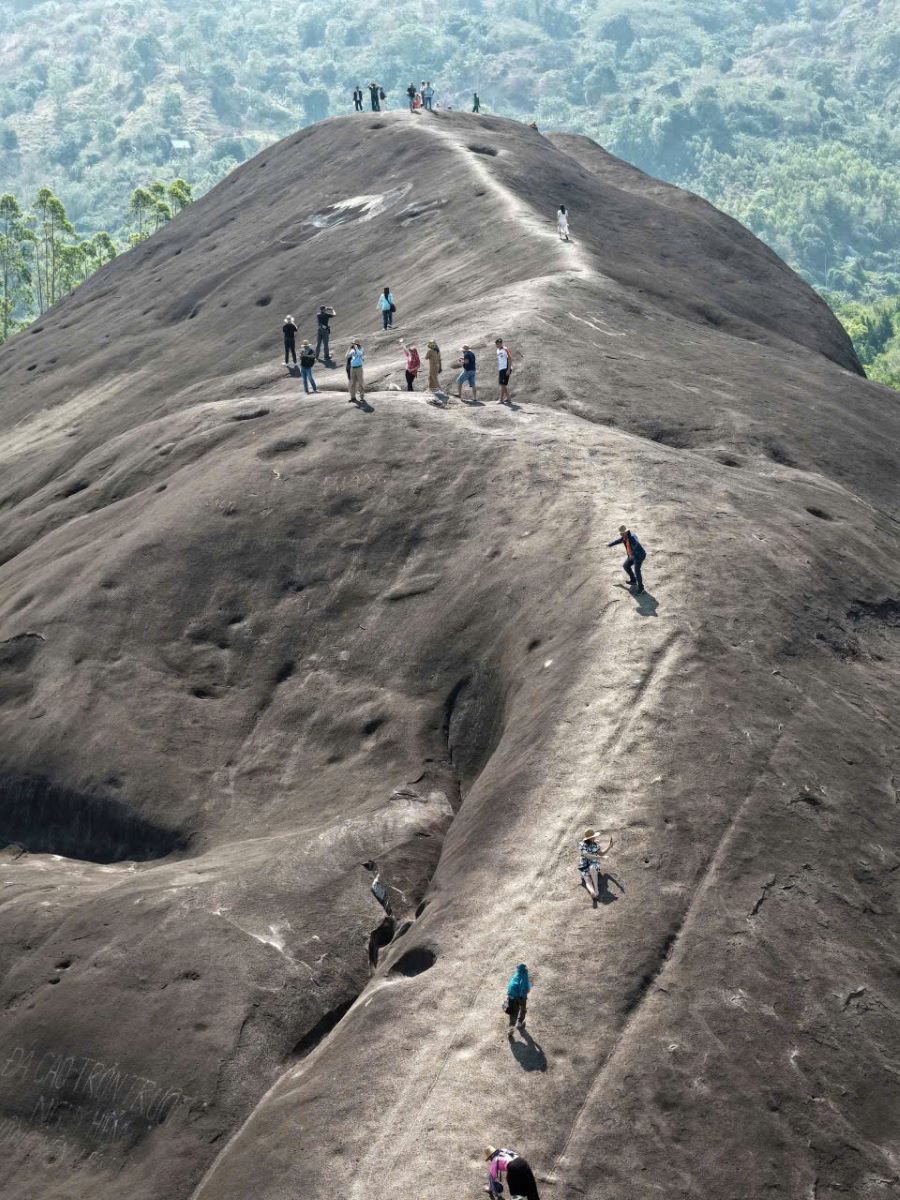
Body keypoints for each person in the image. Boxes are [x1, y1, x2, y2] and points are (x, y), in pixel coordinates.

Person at [607, 525, 647, 593]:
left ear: (626, 532)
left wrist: (633, 554)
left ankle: (641, 588)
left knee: (637, 571)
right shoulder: (624, 537)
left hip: (639, 556)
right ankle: (633, 580)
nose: (621, 534)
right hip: (632, 556)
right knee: (626, 566)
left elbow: (637, 545)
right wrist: (610, 544)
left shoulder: (632, 537)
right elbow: (617, 541)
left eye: (622, 533)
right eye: (621, 533)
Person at [578, 829, 613, 905]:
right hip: (584, 864)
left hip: (593, 863)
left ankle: (596, 890)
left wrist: (609, 847)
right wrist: (601, 858)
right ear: (589, 838)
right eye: (593, 837)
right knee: (587, 879)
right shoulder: (582, 845)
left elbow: (601, 853)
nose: (595, 838)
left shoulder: (595, 845)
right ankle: (592, 892)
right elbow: (588, 856)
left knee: (592, 868)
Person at [505, 963, 531, 1035]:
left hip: (511, 996)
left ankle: (511, 1028)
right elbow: (525, 988)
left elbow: (511, 986)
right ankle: (520, 1023)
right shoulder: (524, 975)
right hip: (521, 997)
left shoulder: (516, 975)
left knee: (513, 1012)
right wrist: (524, 993)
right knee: (523, 1009)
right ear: (525, 970)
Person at [495, 338, 512, 405]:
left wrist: (508, 369)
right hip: (501, 369)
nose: (497, 345)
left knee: (502, 384)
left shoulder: (505, 349)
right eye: (496, 344)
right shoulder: (497, 350)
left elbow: (510, 358)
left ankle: (501, 399)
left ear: (501, 343)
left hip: (506, 368)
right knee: (503, 384)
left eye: (498, 344)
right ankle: (508, 398)